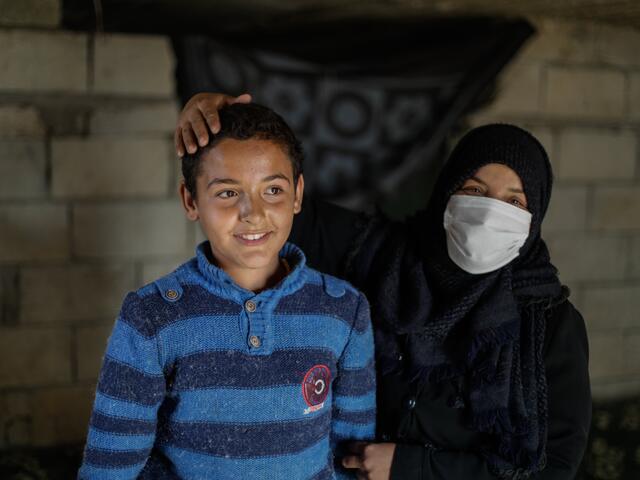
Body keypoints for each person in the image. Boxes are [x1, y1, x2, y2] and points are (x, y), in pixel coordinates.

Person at [175, 94, 591, 480]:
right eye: (473, 190)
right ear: (446, 192)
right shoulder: (382, 258)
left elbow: (552, 468)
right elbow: (275, 206)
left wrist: (412, 468)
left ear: (534, 217)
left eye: (513, 202)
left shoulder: (549, 323)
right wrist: (218, 119)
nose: (487, 214)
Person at [79, 103, 376, 479]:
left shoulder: (344, 311)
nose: (253, 212)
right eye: (226, 193)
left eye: (272, 189)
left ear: (298, 194)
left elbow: (352, 458)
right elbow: (110, 467)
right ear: (191, 201)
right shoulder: (152, 316)